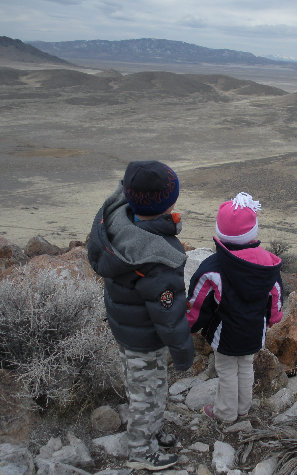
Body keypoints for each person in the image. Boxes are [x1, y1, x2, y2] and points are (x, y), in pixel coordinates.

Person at [87, 160, 193, 471]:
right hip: (145, 335)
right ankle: (140, 449)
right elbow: (166, 305)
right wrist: (183, 350)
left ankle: (154, 427)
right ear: (168, 201)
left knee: (147, 381)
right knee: (147, 388)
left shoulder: (120, 220)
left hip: (126, 325)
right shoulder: (155, 255)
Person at [186, 192, 283, 423]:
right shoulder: (268, 264)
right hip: (254, 330)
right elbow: (276, 296)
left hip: (226, 331)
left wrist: (190, 324)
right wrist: (272, 319)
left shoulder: (214, 267)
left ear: (219, 231)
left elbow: (199, 301)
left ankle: (226, 414)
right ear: (253, 230)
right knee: (246, 365)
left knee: (227, 370)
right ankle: (242, 409)